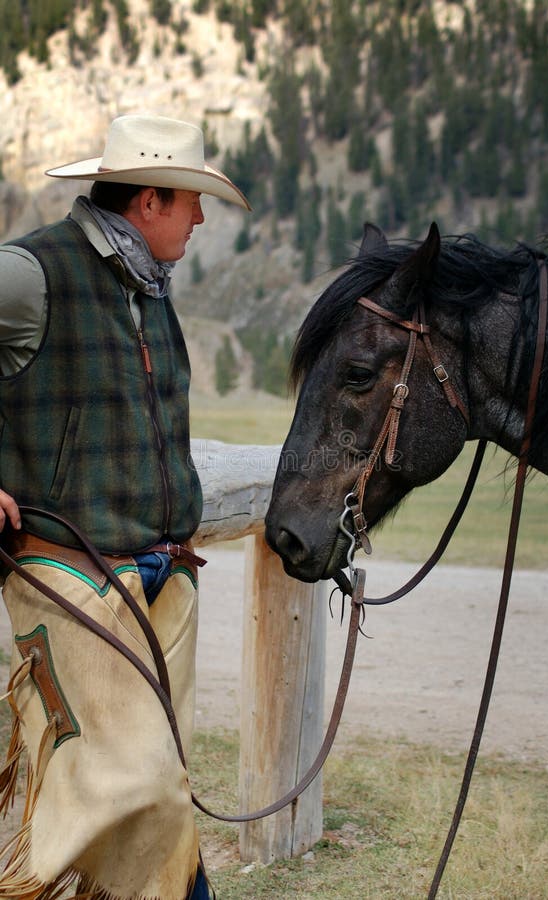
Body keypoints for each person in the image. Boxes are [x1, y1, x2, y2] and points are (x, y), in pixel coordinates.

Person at [0, 113, 250, 900]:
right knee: (143, 791)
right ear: (148, 202)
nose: (200, 218)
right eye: (189, 202)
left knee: (157, 784)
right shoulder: (31, 272)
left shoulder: (145, 281)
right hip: (70, 572)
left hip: (163, 577)